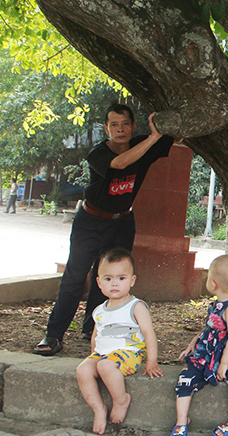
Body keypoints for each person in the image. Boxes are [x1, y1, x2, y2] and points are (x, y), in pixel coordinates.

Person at [33, 104, 174, 356]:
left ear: (133, 126)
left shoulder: (144, 144)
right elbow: (119, 164)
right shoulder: (98, 153)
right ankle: (53, 334)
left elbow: (179, 135)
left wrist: (164, 125)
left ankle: (93, 328)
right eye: (114, 125)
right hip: (91, 221)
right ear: (107, 129)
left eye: (125, 124)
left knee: (110, 277)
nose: (120, 129)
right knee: (75, 276)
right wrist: (153, 138)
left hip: (123, 222)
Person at [74, 248, 163, 435]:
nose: (114, 283)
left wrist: (152, 360)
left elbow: (149, 333)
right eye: (108, 279)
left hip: (128, 354)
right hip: (103, 355)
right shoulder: (99, 310)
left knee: (105, 366)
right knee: (82, 370)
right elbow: (96, 335)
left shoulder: (135, 306)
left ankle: (121, 400)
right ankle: (98, 409)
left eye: (121, 278)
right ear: (99, 282)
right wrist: (92, 357)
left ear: (132, 280)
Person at [171, 254, 228, 436]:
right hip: (207, 355)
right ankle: (182, 421)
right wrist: (192, 345)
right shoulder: (217, 304)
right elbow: (209, 329)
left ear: (213, 284)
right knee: (185, 378)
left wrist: (223, 364)